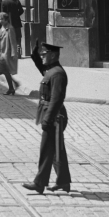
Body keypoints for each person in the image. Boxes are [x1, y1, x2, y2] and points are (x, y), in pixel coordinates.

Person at [23, 42, 71, 195]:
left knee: (47, 150)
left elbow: (57, 99)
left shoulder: (57, 74)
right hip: (50, 115)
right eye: (42, 54)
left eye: (45, 54)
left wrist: (47, 119)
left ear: (52, 55)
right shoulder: (51, 70)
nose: (42, 57)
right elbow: (40, 65)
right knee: (57, 149)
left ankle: (39, 183)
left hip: (54, 117)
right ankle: (63, 181)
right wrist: (35, 52)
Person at [0, 12, 19, 95]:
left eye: (2, 19)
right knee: (3, 70)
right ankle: (13, 85)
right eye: (0, 19)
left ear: (6, 20)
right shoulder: (2, 28)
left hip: (7, 53)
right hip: (2, 52)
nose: (0, 21)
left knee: (5, 70)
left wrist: (14, 53)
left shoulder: (10, 28)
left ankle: (12, 87)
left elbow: (13, 42)